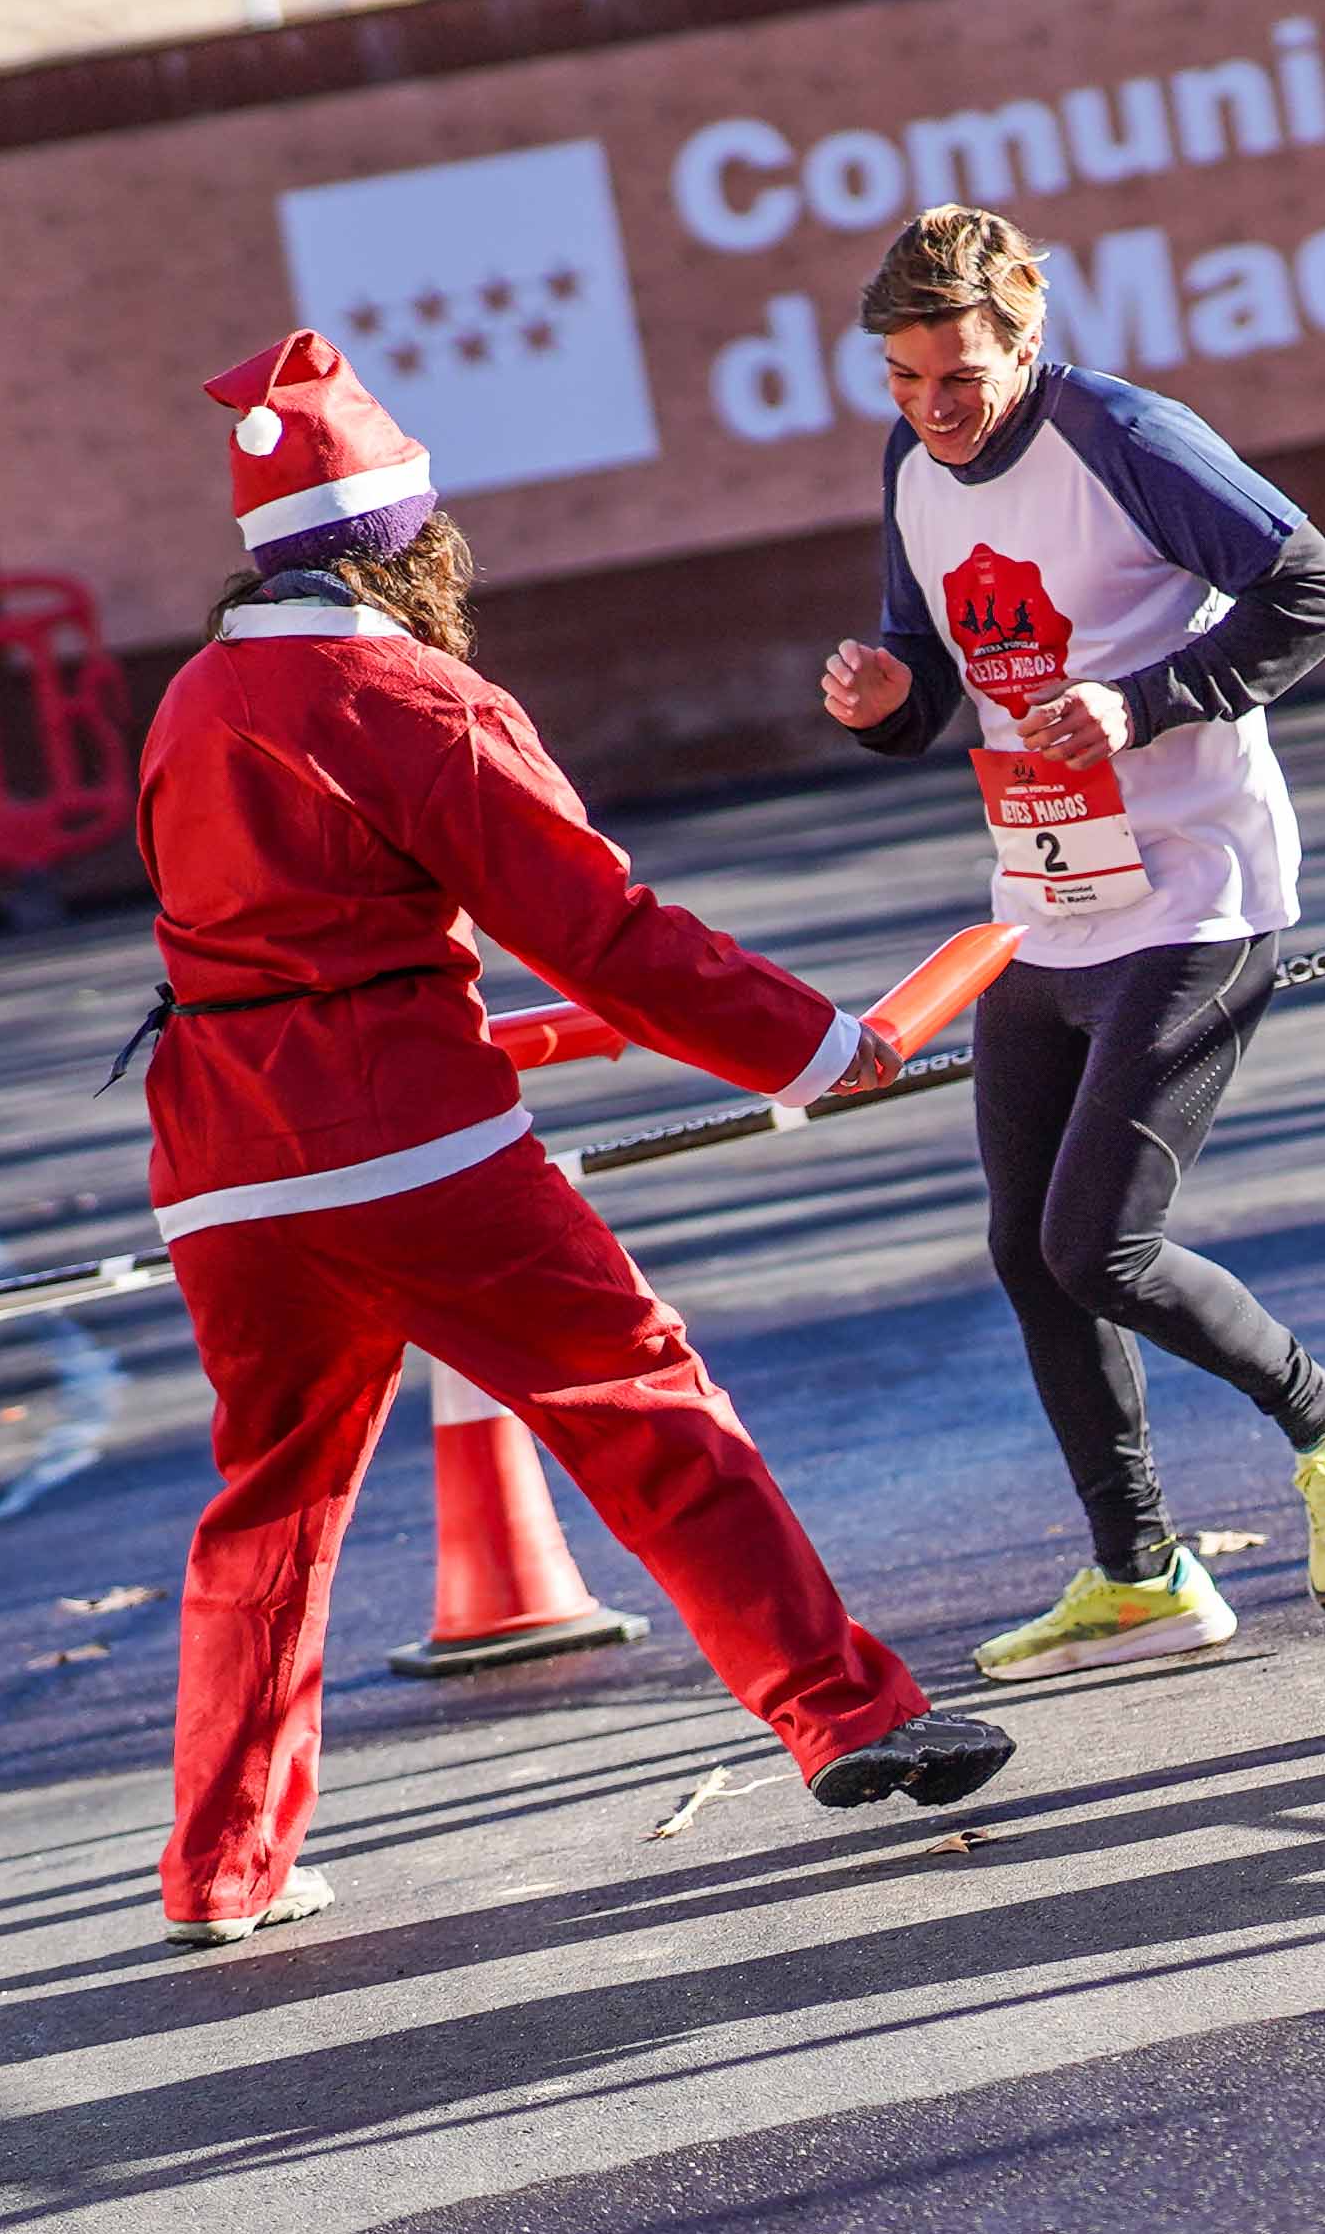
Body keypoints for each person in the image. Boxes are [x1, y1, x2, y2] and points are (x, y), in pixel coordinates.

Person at [133, 329, 1005, 1942]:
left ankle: (221, 1868)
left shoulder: (188, 701)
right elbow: (602, 928)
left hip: (222, 1175)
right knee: (640, 1405)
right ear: (407, 551)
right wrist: (821, 1046)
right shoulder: (414, 689)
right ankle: (849, 1715)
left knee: (272, 1504)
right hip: (418, 1151)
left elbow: (268, 950)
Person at [818, 205, 1325, 1678]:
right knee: (1031, 1255)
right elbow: (937, 672)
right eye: (901, 382)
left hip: (1197, 891)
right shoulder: (914, 465)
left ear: (1025, 340)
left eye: (957, 378)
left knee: (1100, 1242)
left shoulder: (1131, 438)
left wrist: (1144, 702)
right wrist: (880, 695)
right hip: (1048, 900)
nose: (932, 413)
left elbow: (1315, 588)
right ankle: (1139, 1570)